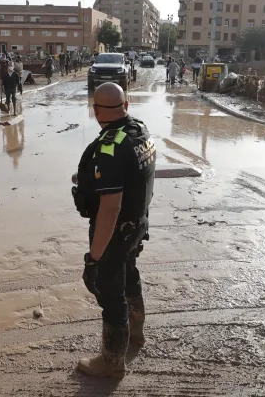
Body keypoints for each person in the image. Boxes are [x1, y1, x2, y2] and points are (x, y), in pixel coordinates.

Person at [72, 82, 156, 378]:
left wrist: (94, 256)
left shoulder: (109, 147)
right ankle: (136, 332)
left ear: (95, 111)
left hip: (115, 231)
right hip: (137, 226)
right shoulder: (140, 132)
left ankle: (112, 361)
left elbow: (110, 207)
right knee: (129, 275)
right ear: (127, 106)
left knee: (110, 292)